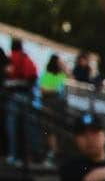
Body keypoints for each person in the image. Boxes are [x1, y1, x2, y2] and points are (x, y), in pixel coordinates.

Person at [4, 36, 39, 164]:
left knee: (12, 127)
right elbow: (33, 76)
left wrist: (12, 83)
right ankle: (27, 157)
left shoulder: (12, 57)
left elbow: (10, 74)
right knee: (26, 128)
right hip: (27, 96)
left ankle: (14, 156)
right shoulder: (26, 58)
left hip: (15, 96)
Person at [39, 53, 67, 163]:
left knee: (57, 129)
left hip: (59, 105)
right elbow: (43, 89)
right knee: (50, 128)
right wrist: (56, 90)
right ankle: (53, 152)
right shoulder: (46, 75)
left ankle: (56, 152)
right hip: (49, 104)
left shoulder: (62, 75)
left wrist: (65, 68)